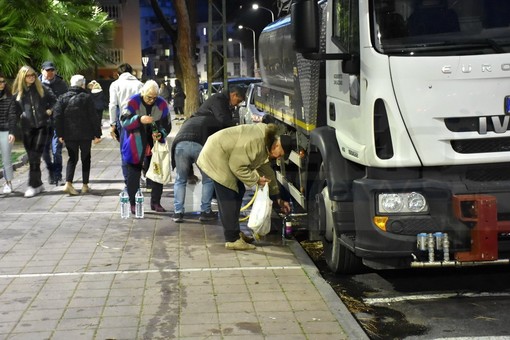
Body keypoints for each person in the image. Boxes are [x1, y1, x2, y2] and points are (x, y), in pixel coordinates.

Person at [196, 123, 292, 250]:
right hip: (216, 155)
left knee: (239, 190)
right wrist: (256, 179)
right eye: (280, 154)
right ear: (276, 145)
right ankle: (232, 239)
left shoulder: (266, 143)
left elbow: (267, 170)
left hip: (223, 155)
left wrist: (277, 198)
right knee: (229, 196)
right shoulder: (257, 142)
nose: (279, 158)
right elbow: (237, 166)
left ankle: (236, 233)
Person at [120, 80, 171, 214]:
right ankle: (132, 203)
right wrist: (138, 119)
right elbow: (124, 121)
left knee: (156, 173)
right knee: (133, 174)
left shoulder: (162, 104)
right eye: (149, 97)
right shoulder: (132, 102)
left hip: (154, 144)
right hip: (135, 143)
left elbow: (167, 125)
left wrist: (161, 134)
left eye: (154, 98)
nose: (151, 100)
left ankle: (156, 202)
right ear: (142, 93)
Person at [12, 65, 57, 198]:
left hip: (42, 126)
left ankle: (32, 185)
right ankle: (38, 184)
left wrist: (49, 111)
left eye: (33, 75)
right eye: (28, 75)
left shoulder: (42, 88)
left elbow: (55, 101)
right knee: (33, 157)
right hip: (26, 129)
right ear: (22, 77)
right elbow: (14, 112)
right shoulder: (18, 93)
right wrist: (17, 122)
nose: (32, 77)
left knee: (34, 156)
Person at [54, 75, 102, 195]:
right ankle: (85, 185)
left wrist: (60, 133)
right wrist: (97, 134)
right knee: (86, 158)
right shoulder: (87, 98)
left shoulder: (62, 98)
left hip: (69, 134)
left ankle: (68, 183)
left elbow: (57, 117)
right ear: (82, 84)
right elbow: (93, 117)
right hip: (85, 134)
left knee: (72, 158)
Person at [171, 115, 222, 223]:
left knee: (180, 180)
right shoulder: (213, 120)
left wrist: (189, 172)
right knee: (208, 179)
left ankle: (178, 212)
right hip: (199, 144)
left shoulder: (189, 120)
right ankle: (205, 211)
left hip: (180, 144)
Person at [108, 63, 143, 189]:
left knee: (125, 150)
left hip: (123, 121)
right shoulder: (139, 84)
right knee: (138, 150)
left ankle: (128, 181)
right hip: (138, 120)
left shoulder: (115, 84)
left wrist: (112, 124)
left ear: (118, 74)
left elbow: (112, 105)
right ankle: (137, 179)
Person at [39, 61, 68, 186]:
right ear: (42, 71)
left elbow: (64, 100)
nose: (50, 73)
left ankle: (58, 175)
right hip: (42, 123)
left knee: (56, 150)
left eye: (52, 70)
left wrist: (54, 109)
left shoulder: (61, 84)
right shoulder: (36, 84)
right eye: (47, 70)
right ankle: (51, 173)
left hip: (57, 121)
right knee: (45, 152)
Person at [0, 74, 17, 194]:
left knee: (6, 157)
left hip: (6, 131)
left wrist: (12, 132)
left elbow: (12, 116)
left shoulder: (10, 98)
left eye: (3, 82)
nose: (1, 84)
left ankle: (8, 183)